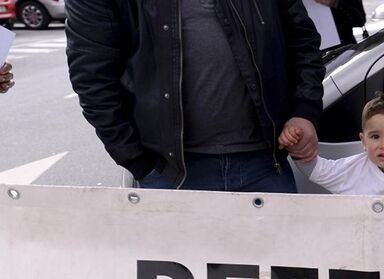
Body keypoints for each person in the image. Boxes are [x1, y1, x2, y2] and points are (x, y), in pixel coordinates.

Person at [65, 0, 325, 193]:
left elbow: (302, 43)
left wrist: (304, 111)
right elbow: (92, 77)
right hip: (170, 176)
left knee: (279, 266)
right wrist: (139, 162)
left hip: (264, 166)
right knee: (180, 267)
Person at [281, 93, 384, 197]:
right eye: (375, 136)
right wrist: (295, 143)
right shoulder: (352, 169)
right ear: (363, 141)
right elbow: (317, 170)